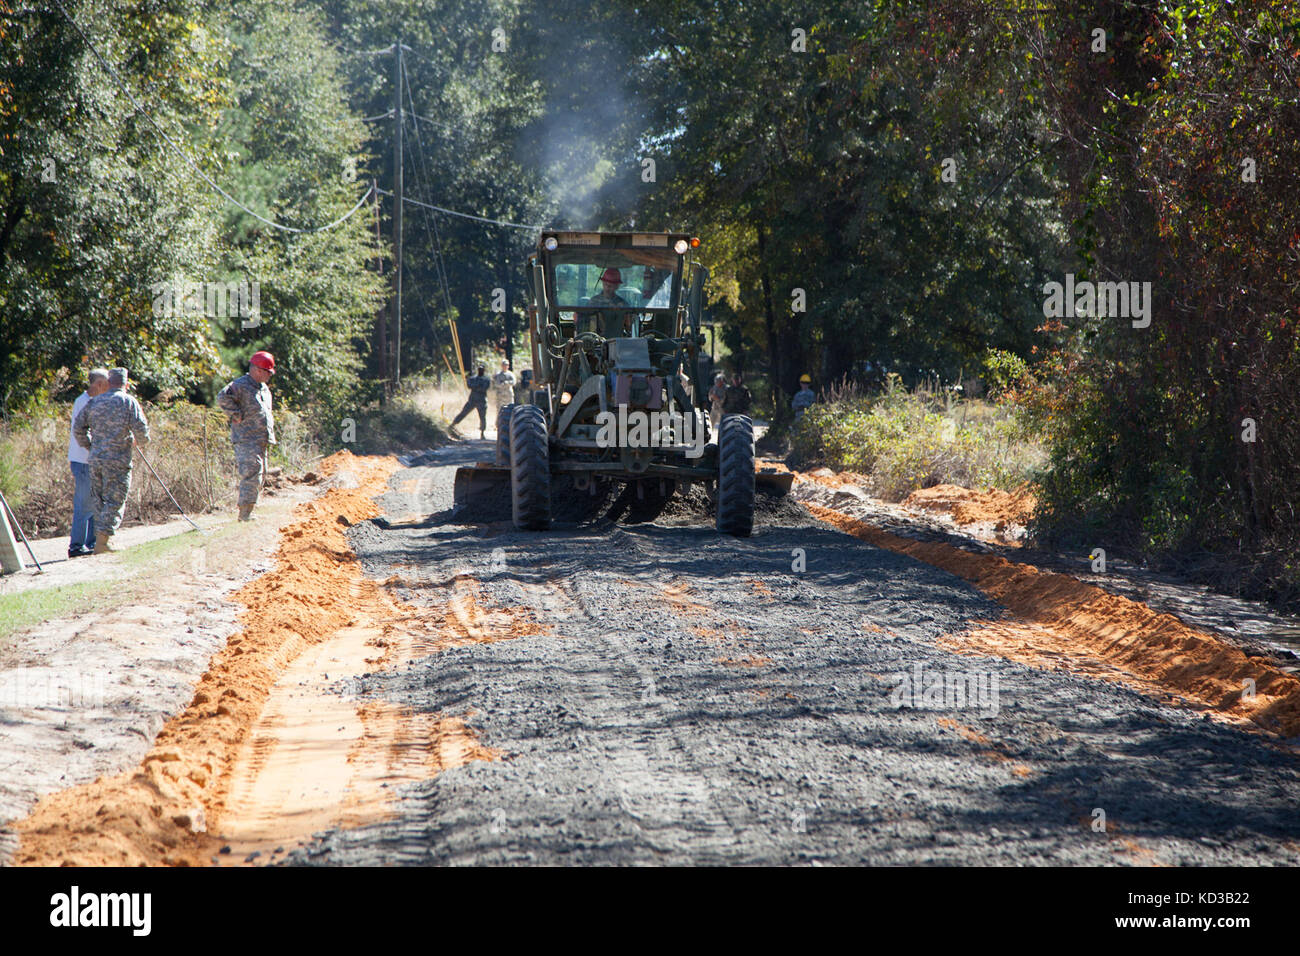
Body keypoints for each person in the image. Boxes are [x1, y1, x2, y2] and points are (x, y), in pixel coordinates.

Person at [72, 368, 150, 554]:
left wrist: (90, 446)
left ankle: (101, 541)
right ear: (126, 384)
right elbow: (143, 432)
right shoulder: (128, 401)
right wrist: (137, 441)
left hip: (96, 459)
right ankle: (102, 542)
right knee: (115, 500)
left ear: (108, 382)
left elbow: (78, 428)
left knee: (98, 499)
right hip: (118, 459)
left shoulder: (94, 402)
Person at [217, 351, 276, 521]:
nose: (270, 376)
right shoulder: (240, 385)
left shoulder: (263, 388)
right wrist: (235, 414)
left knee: (260, 475)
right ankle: (244, 514)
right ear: (258, 370)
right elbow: (222, 397)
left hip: (261, 438)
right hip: (246, 438)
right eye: (268, 372)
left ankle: (249, 510)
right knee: (251, 473)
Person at [67, 368, 110, 557]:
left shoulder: (95, 402)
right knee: (83, 504)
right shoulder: (83, 402)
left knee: (95, 504)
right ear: (99, 384)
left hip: (92, 461)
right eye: (107, 384)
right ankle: (76, 546)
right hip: (83, 461)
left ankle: (91, 543)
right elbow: (82, 432)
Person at [585, 267, 633, 336]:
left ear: (617, 286)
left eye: (611, 285)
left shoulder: (623, 304)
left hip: (618, 342)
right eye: (605, 284)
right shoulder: (593, 302)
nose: (607, 287)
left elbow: (629, 326)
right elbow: (586, 324)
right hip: (596, 342)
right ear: (602, 283)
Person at [452, 365, 491, 439]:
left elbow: (485, 388)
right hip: (472, 400)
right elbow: (469, 385)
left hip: (482, 401)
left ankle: (482, 433)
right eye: (479, 369)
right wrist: (478, 386)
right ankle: (453, 425)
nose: (480, 370)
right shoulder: (473, 378)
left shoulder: (486, 379)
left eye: (482, 369)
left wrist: (476, 387)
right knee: (463, 413)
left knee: (482, 417)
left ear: (484, 370)